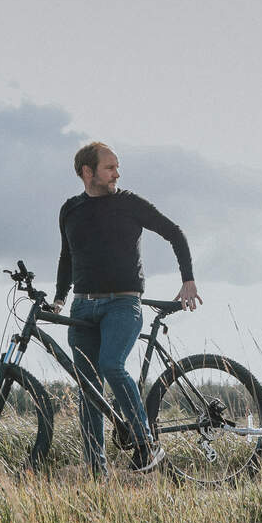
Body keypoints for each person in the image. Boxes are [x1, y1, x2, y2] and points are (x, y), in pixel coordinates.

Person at [51, 141, 201, 474]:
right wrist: (60, 297)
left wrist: (188, 279)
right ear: (87, 172)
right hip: (82, 309)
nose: (117, 173)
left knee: (111, 365)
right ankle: (96, 473)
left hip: (123, 303)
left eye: (117, 166)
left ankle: (147, 446)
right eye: (110, 167)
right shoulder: (70, 210)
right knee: (88, 387)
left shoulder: (128, 203)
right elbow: (66, 257)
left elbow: (174, 232)